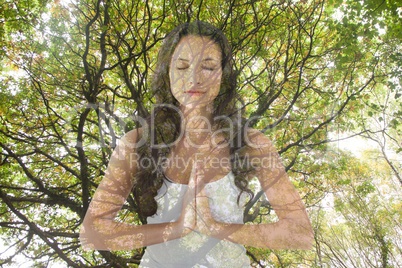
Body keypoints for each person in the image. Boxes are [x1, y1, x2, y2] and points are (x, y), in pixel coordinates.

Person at [80, 21, 313, 267]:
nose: (193, 78)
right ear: (167, 72)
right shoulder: (136, 142)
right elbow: (93, 233)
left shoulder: (252, 143)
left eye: (208, 66)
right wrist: (176, 228)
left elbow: (300, 233)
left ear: (223, 75)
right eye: (182, 66)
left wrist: (215, 228)